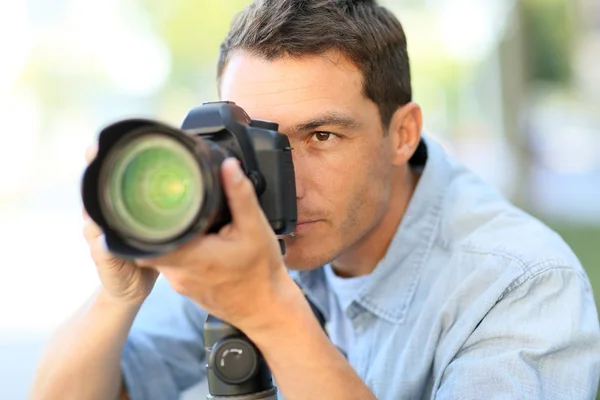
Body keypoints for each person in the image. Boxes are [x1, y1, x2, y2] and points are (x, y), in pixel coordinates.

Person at [31, 0, 600, 399]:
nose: (284, 181)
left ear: (402, 133)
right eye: (259, 141)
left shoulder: (522, 282)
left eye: (321, 137)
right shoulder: (241, 227)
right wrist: (117, 297)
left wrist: (270, 310)